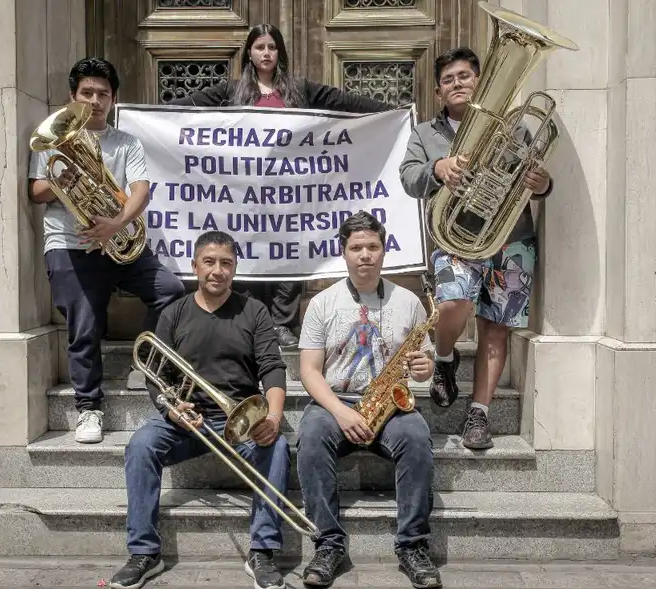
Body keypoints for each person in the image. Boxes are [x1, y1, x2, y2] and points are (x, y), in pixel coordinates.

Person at [167, 23, 394, 350]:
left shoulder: (298, 89)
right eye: (260, 47)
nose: (266, 53)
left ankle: (284, 323)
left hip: (292, 194)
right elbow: (187, 106)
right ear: (249, 52)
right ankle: (255, 322)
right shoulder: (231, 92)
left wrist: (390, 114)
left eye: (272, 47)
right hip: (245, 197)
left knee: (291, 256)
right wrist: (142, 119)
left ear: (280, 52)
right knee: (251, 255)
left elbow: (341, 100)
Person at [109, 230, 291, 589]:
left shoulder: (253, 311)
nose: (217, 270)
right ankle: (144, 552)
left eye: (226, 263)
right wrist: (171, 408)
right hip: (185, 421)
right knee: (141, 445)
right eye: (209, 262)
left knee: (279, 447)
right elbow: (155, 374)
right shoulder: (174, 312)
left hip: (238, 419)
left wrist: (272, 416)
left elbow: (272, 367)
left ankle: (262, 550)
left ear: (235, 268)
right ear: (194, 266)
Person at [399, 47, 554, 450]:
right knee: (452, 304)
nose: (457, 84)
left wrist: (543, 185)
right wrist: (436, 168)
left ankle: (479, 415)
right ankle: (445, 357)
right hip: (456, 238)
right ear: (438, 91)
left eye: (464, 76)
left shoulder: (514, 127)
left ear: (479, 80)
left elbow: (533, 175)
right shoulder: (425, 134)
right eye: (449, 79)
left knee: (495, 329)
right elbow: (408, 177)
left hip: (511, 239)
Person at [28, 57, 185, 444]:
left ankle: (146, 363)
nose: (95, 100)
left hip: (118, 238)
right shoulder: (53, 139)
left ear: (113, 99)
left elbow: (141, 191)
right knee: (84, 327)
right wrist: (61, 179)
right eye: (87, 93)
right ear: (73, 96)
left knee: (172, 291)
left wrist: (115, 224)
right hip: (71, 243)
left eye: (103, 94)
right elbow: (35, 193)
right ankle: (89, 409)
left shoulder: (126, 142)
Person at [295, 211, 441, 589]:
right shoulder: (322, 303)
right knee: (309, 437)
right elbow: (309, 371)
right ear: (343, 252)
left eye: (372, 247)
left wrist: (425, 369)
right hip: (337, 402)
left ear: (384, 250)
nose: (365, 255)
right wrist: (341, 412)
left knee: (416, 439)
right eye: (356, 247)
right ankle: (328, 544)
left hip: (391, 406)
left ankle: (412, 546)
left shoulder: (408, 301)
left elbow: (424, 365)